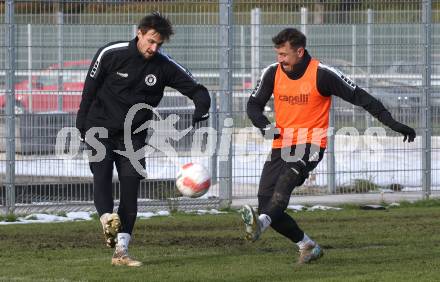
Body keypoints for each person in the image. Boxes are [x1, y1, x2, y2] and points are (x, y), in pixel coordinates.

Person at [241, 28, 416, 264]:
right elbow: (253, 105)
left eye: (284, 54)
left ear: (300, 52)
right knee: (266, 203)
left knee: (285, 182)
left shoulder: (322, 74)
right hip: (281, 145)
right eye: (278, 54)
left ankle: (260, 225)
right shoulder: (272, 73)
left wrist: (392, 123)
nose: (280, 59)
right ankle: (307, 245)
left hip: (312, 145)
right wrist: (267, 127)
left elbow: (361, 97)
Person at [76, 13, 210, 267]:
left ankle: (121, 252)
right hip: (99, 127)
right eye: (150, 41)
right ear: (139, 33)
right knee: (102, 174)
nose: (153, 48)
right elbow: (89, 88)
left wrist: (201, 108)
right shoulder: (110, 53)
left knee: (130, 189)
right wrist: (81, 125)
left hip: (133, 136)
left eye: (159, 44)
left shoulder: (164, 65)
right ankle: (107, 221)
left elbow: (197, 90)